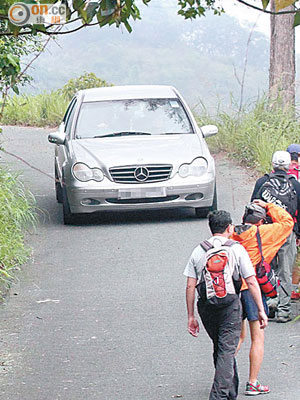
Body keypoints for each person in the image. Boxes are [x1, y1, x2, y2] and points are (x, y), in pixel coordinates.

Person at [184, 210, 268, 400]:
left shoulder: (199, 250)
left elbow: (190, 285)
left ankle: (230, 392)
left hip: (206, 307)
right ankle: (219, 396)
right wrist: (261, 310)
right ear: (229, 228)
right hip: (230, 306)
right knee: (226, 350)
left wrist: (191, 316)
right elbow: (251, 281)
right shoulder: (236, 249)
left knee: (221, 347)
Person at [232, 200, 294, 396]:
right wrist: (268, 205)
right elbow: (287, 222)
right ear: (261, 221)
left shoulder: (231, 233)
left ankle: (224, 374)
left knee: (237, 337)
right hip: (252, 290)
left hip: (232, 289)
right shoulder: (265, 233)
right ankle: (252, 383)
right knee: (257, 338)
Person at [251, 150, 300, 322]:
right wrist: (297, 233)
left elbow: (253, 208)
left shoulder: (262, 182)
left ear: (272, 164)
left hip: (266, 232)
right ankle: (284, 311)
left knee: (265, 268)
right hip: (287, 231)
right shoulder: (295, 185)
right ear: (288, 166)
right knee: (285, 271)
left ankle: (268, 305)